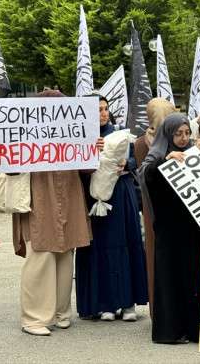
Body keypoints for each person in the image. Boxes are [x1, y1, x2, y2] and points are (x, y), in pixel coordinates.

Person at [0, 90, 96, 336]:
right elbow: (9, 166)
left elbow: (87, 166)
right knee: (41, 254)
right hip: (39, 199)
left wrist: (93, 146)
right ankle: (34, 318)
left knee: (66, 254)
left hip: (68, 196)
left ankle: (60, 312)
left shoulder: (72, 136)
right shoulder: (25, 134)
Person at [138, 113, 200, 343]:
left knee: (195, 276)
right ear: (167, 134)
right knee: (172, 278)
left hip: (194, 227)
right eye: (178, 134)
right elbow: (146, 174)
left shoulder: (193, 154)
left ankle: (199, 328)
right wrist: (166, 160)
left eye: (187, 133)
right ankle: (172, 331)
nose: (183, 138)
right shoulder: (158, 154)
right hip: (170, 230)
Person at [75, 96, 148, 321]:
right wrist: (89, 151)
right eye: (98, 110)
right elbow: (75, 166)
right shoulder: (80, 137)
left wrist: (128, 163)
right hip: (95, 198)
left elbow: (137, 161)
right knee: (101, 247)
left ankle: (127, 303)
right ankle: (105, 302)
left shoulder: (120, 133)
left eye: (106, 109)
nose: (104, 113)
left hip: (121, 194)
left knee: (125, 244)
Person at [133, 98, 176, 316]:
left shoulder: (170, 140)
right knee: (158, 255)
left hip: (163, 207)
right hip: (158, 206)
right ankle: (161, 308)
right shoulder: (146, 144)